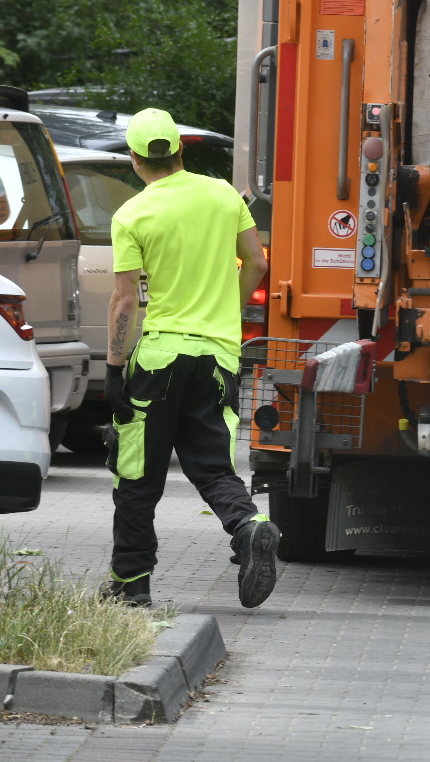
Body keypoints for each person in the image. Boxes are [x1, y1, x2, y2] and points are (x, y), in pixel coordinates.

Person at [99, 108, 278, 608]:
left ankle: (131, 587)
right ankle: (249, 526)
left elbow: (125, 300)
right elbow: (258, 262)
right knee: (214, 466)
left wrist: (114, 371)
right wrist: (228, 311)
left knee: (137, 475)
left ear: (135, 159)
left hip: (159, 359)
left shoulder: (132, 214)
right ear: (180, 150)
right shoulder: (223, 194)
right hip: (218, 358)